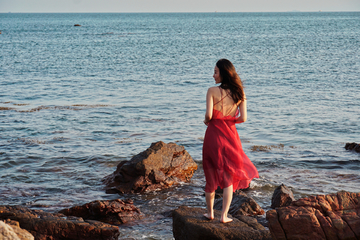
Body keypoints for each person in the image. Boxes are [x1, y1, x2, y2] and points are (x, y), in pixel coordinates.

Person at [202, 59, 259, 223]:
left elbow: (209, 116)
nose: (213, 75)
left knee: (210, 173)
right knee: (228, 176)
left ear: (224, 73)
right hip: (230, 136)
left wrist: (207, 120)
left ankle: (210, 213)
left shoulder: (211, 91)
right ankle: (224, 216)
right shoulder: (240, 93)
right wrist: (230, 121)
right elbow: (244, 118)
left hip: (213, 134)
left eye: (215, 72)